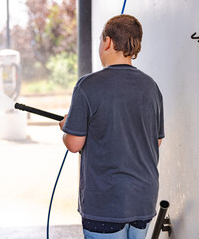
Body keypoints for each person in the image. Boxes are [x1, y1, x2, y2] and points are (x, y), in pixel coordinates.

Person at [59, 14, 164, 239]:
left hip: (105, 202)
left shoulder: (88, 85)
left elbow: (74, 144)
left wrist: (68, 127)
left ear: (107, 42)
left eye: (100, 40)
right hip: (143, 199)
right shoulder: (151, 86)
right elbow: (156, 140)